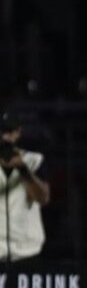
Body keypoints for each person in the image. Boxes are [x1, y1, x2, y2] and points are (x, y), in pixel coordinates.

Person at [0, 111, 50, 263]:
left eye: (10, 131)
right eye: (2, 131)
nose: (6, 136)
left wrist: (23, 169)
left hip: (27, 251)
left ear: (18, 133)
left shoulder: (33, 160)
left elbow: (43, 198)